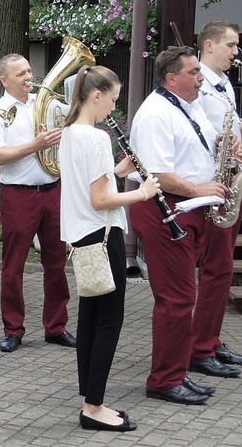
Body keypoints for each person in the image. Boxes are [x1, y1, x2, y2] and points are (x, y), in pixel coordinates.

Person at [60, 65, 158, 432]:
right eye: (113, 99)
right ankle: (94, 407)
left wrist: (119, 171)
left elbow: (90, 185)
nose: (113, 109)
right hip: (104, 237)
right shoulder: (96, 137)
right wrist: (143, 193)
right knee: (109, 322)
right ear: (96, 95)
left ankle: (91, 398)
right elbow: (101, 199)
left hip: (82, 237)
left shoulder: (70, 133)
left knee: (89, 319)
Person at [130, 46, 226, 404]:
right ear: (172, 79)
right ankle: (164, 380)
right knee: (177, 298)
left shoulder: (189, 106)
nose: (201, 78)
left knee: (184, 295)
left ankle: (178, 371)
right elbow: (159, 173)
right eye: (194, 72)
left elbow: (196, 147)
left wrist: (223, 142)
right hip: (167, 211)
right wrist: (199, 188)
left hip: (190, 208)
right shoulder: (156, 113)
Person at [0, 53, 75, 353]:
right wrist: (34, 146)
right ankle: (13, 329)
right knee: (13, 265)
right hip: (18, 194)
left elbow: (77, 117)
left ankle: (56, 326)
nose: (28, 77)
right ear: (4, 80)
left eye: (29, 71)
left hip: (52, 189)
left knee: (57, 262)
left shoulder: (46, 104)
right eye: (20, 73)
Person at [194, 21, 242, 375]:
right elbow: (201, 131)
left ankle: (212, 339)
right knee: (216, 269)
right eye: (231, 46)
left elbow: (230, 123)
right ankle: (201, 347)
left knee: (223, 270)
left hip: (228, 182)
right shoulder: (198, 84)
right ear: (210, 45)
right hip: (215, 184)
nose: (236, 53)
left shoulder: (222, 82)